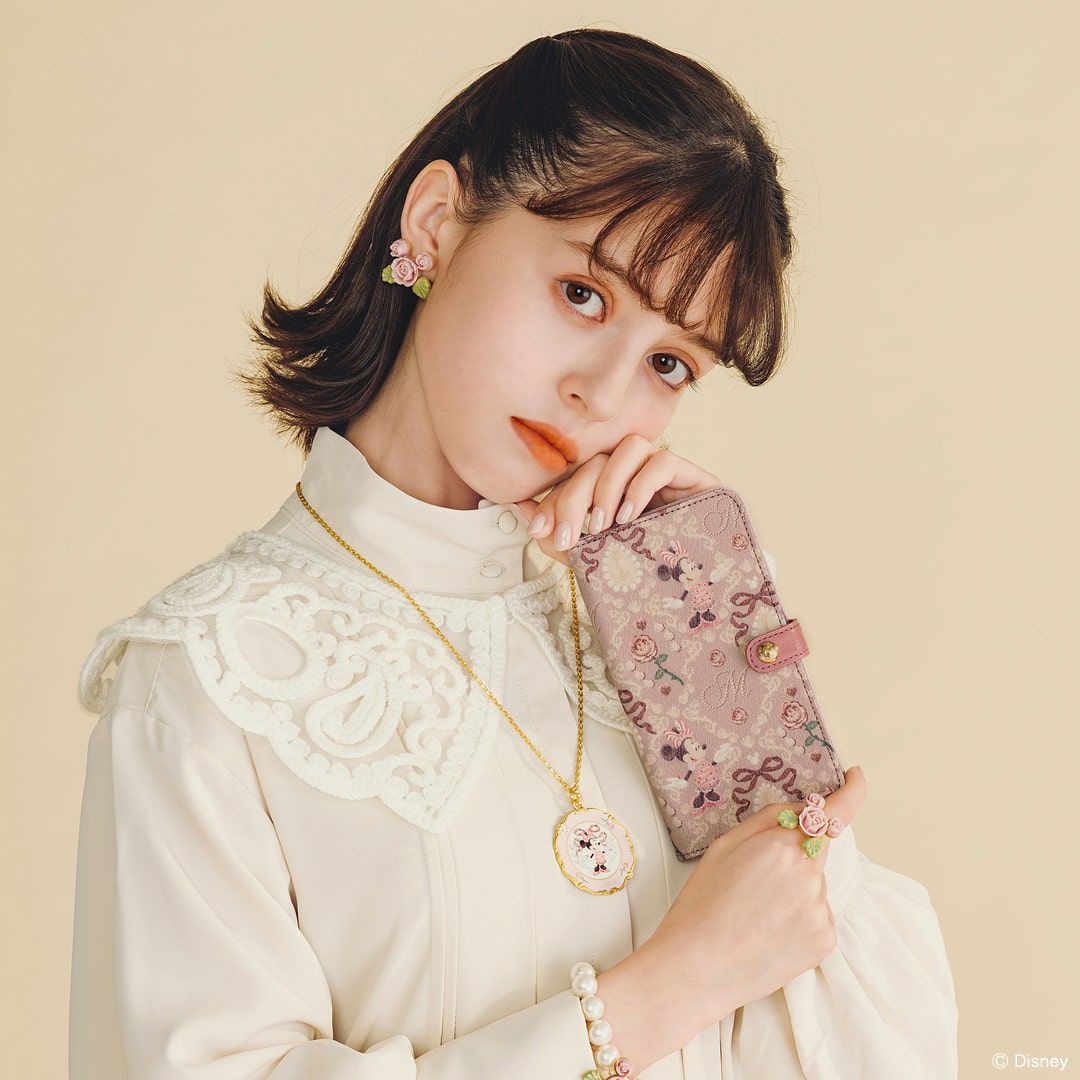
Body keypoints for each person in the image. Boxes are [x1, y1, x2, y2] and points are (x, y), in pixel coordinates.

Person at [69, 28, 959, 1080]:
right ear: (437, 223)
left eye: (670, 363)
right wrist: (670, 986)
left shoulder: (648, 632)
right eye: (583, 294)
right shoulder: (208, 677)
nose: (603, 394)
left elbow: (880, 1044)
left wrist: (716, 641)